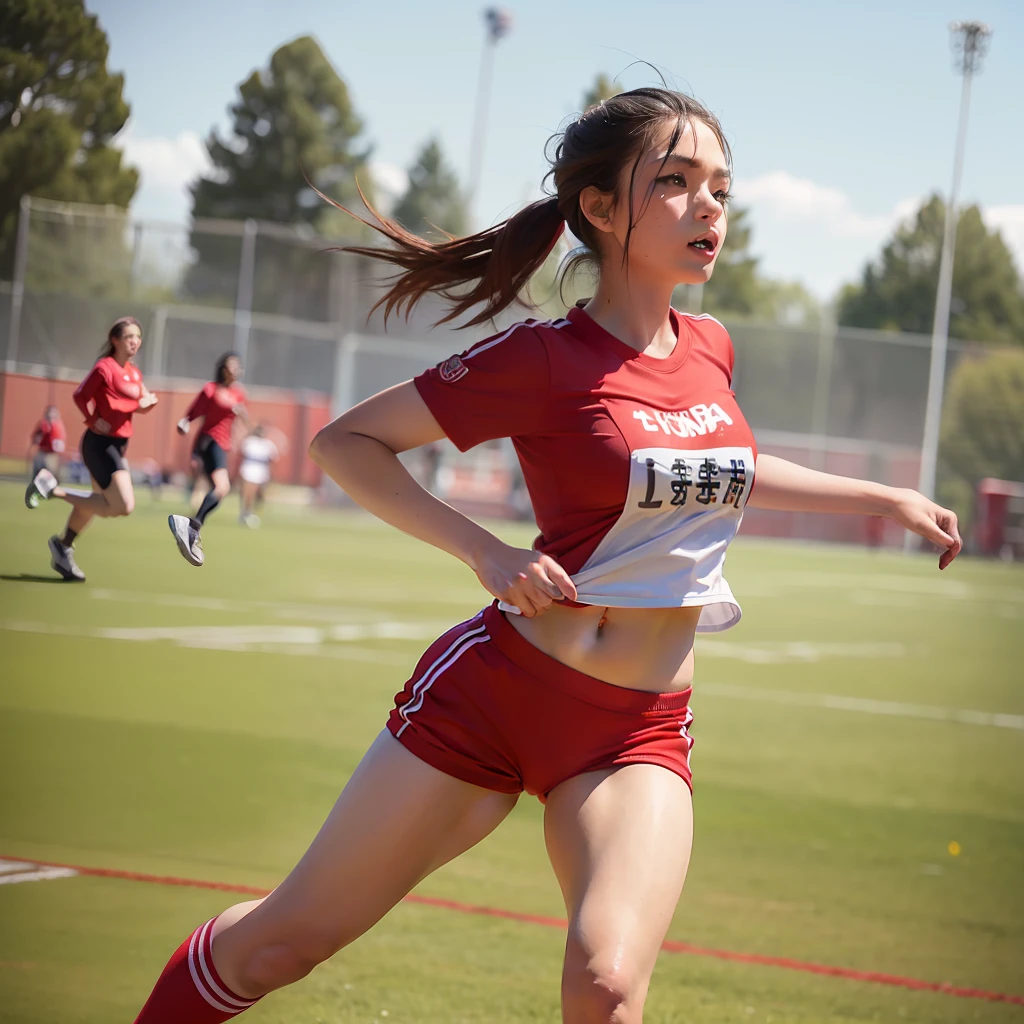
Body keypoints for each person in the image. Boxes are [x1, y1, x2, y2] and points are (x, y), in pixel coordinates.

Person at [131, 88, 961, 1023]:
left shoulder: (713, 348)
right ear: (601, 209)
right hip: (495, 698)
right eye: (678, 183)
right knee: (283, 942)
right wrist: (484, 551)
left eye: (721, 188)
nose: (710, 208)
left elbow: (723, 467)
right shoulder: (541, 359)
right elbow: (347, 444)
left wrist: (886, 497)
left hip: (637, 729)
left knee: (607, 983)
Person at [24, 317, 157, 582]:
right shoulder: (104, 368)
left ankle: (63, 546)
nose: (135, 341)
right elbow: (80, 395)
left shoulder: (134, 372)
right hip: (99, 444)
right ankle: (51, 489)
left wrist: (147, 402)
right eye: (129, 336)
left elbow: (144, 401)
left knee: (96, 503)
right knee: (123, 506)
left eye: (138, 337)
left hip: (118, 445)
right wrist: (92, 418)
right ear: (115, 340)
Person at [168, 352, 248, 566]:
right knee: (222, 487)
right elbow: (192, 414)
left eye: (238, 365)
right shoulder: (211, 390)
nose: (236, 368)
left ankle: (192, 526)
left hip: (223, 445)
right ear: (223, 368)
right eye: (232, 365)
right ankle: (192, 526)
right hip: (209, 441)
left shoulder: (238, 394)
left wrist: (242, 418)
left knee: (221, 489)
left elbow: (241, 419)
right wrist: (184, 424)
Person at [237, 423, 280, 528]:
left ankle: (252, 511)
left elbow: (273, 459)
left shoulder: (268, 444)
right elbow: (242, 454)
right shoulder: (249, 441)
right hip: (249, 470)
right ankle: (246, 512)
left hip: (262, 471)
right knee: (248, 492)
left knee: (260, 495)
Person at [27, 405, 67, 480]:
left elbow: (60, 443)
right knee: (38, 473)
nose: (50, 416)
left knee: (51, 474)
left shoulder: (58, 426)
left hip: (52, 454)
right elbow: (35, 437)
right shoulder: (42, 424)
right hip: (42, 452)